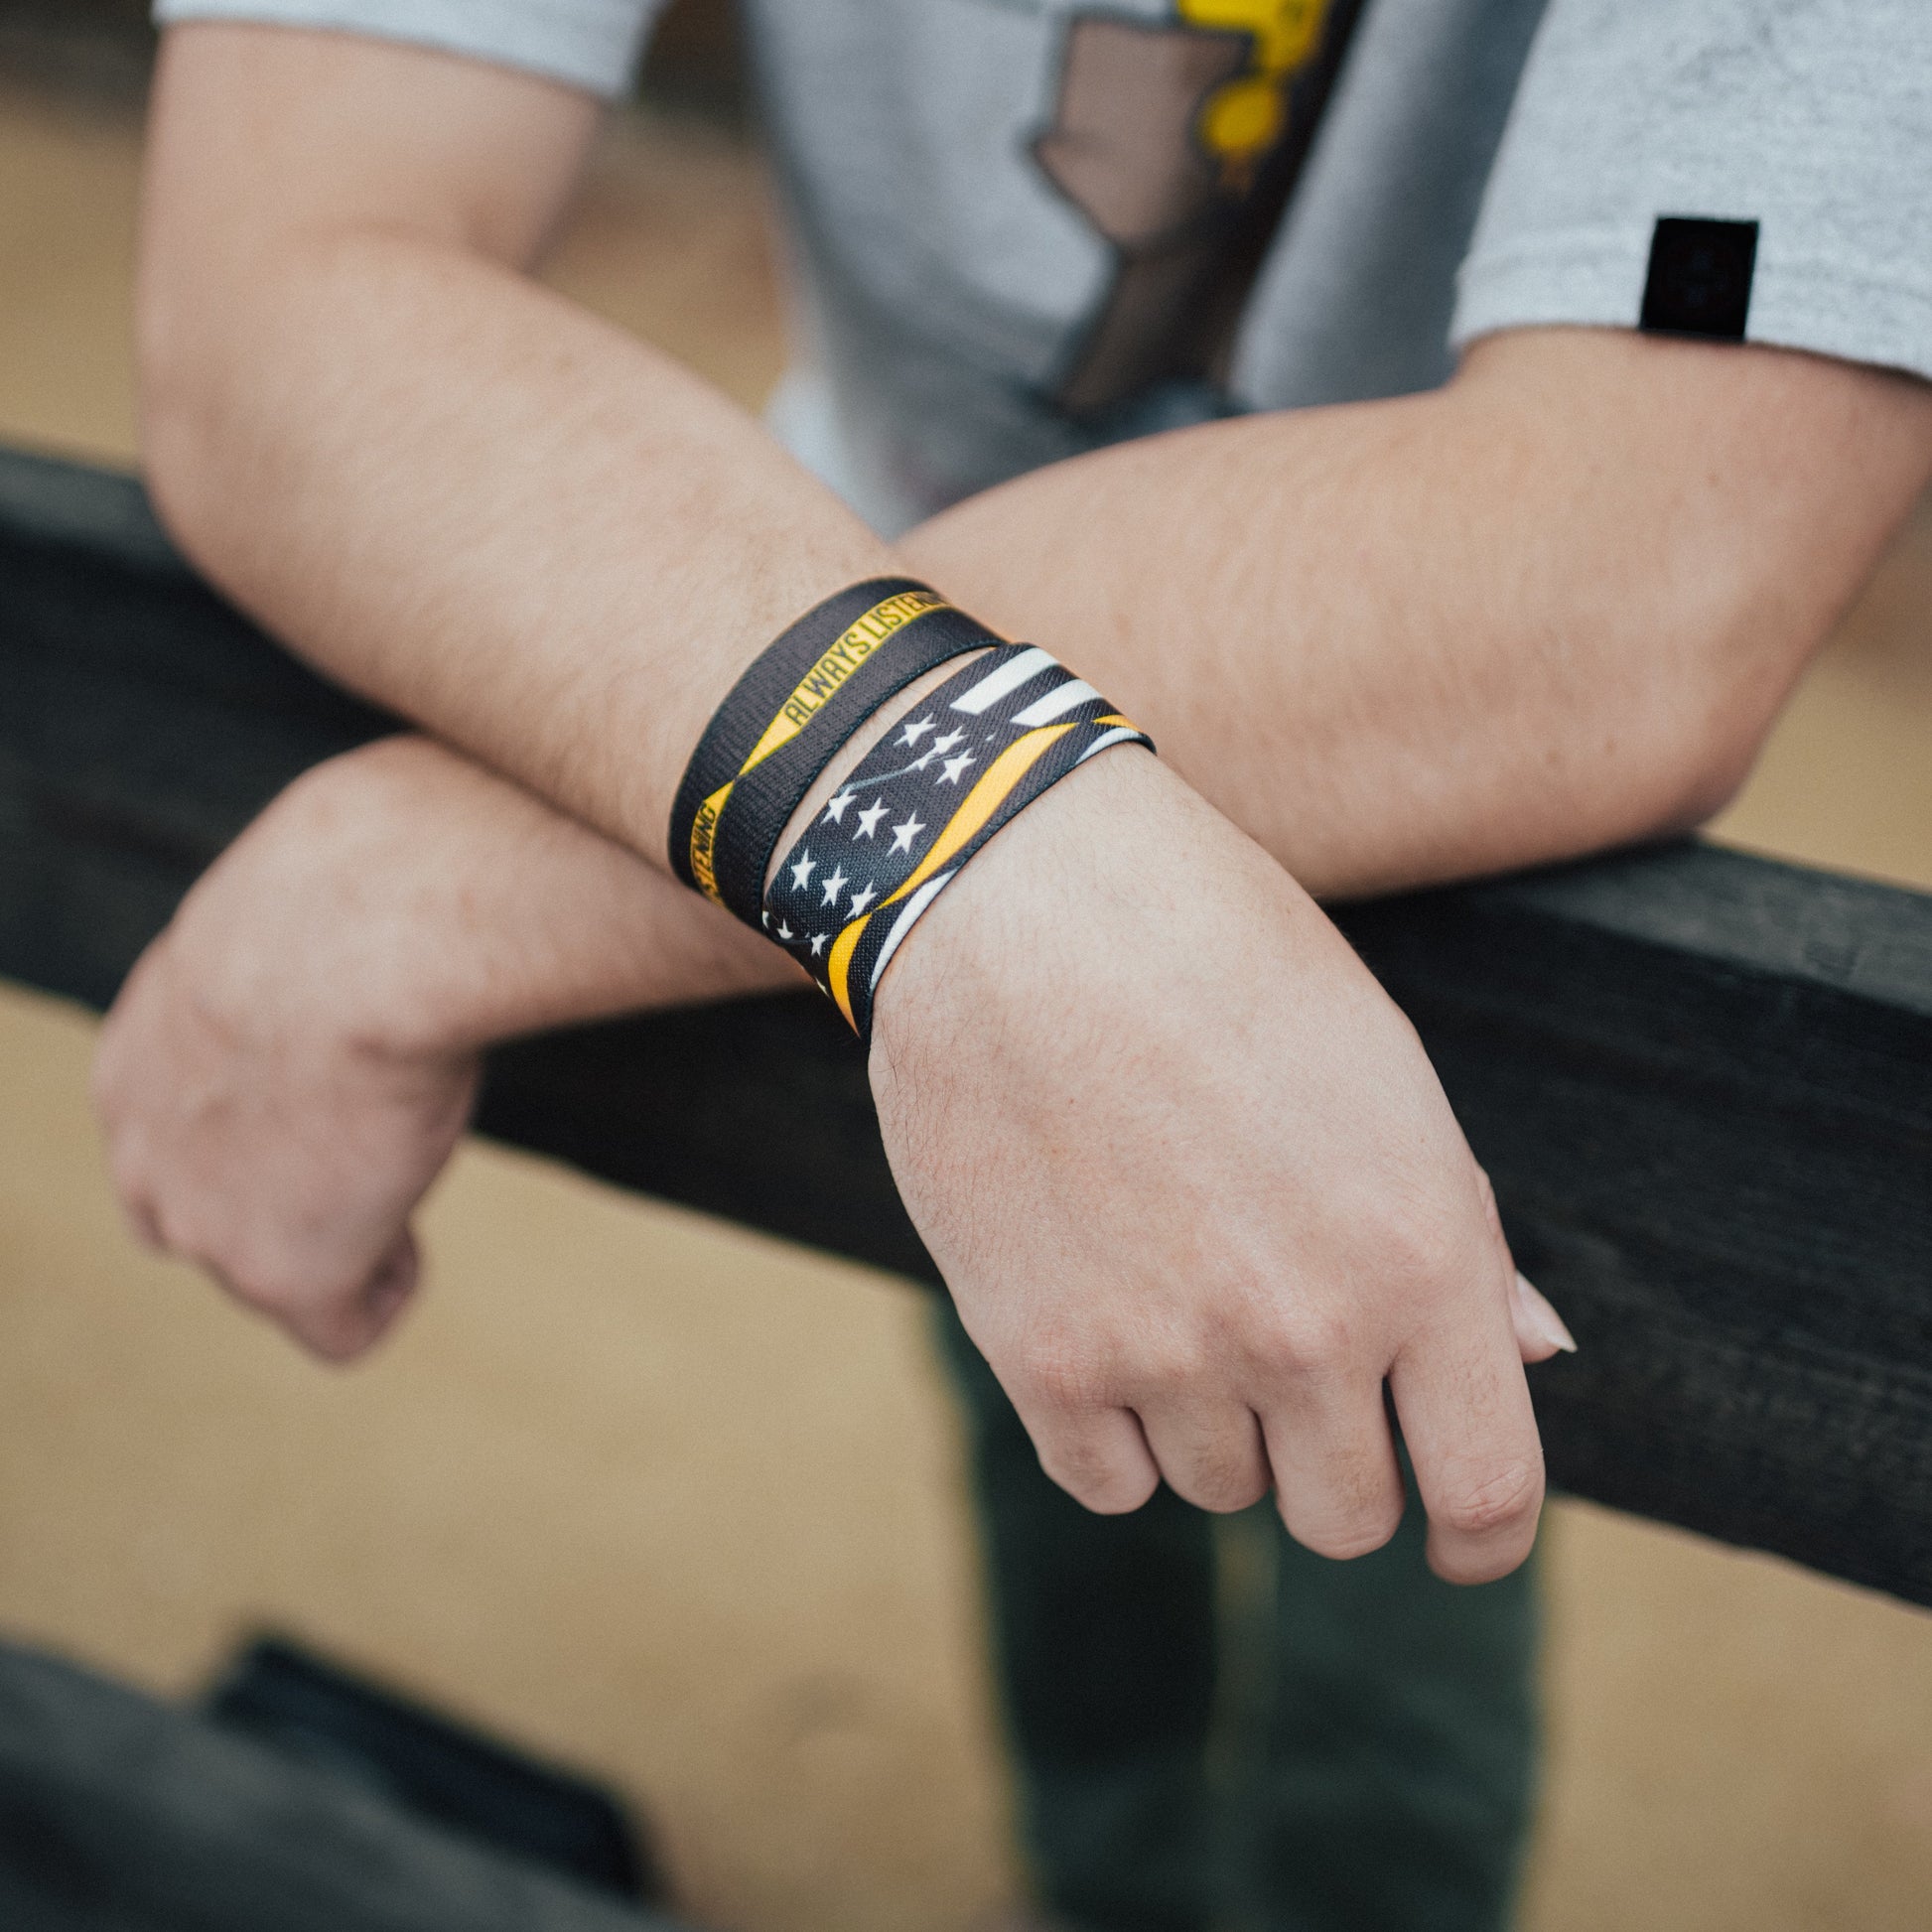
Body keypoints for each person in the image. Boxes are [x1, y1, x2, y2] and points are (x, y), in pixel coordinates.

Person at [95, 4, 1931, 1927]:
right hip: (811, 741)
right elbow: (280, 293)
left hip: (1252, 813)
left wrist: (465, 864)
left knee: (1399, 1500)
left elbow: (1618, 582)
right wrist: (982, 869)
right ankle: (1104, 1878)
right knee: (1052, 1411)